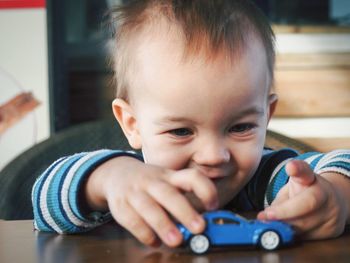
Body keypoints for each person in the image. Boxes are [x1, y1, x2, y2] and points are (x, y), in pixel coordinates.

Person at [32, 0, 350, 249]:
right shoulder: (130, 182)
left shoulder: (265, 179)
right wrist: (106, 182)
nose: (213, 156)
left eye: (240, 127)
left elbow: (340, 164)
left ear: (266, 115)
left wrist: (335, 194)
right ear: (133, 124)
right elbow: (42, 198)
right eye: (181, 131)